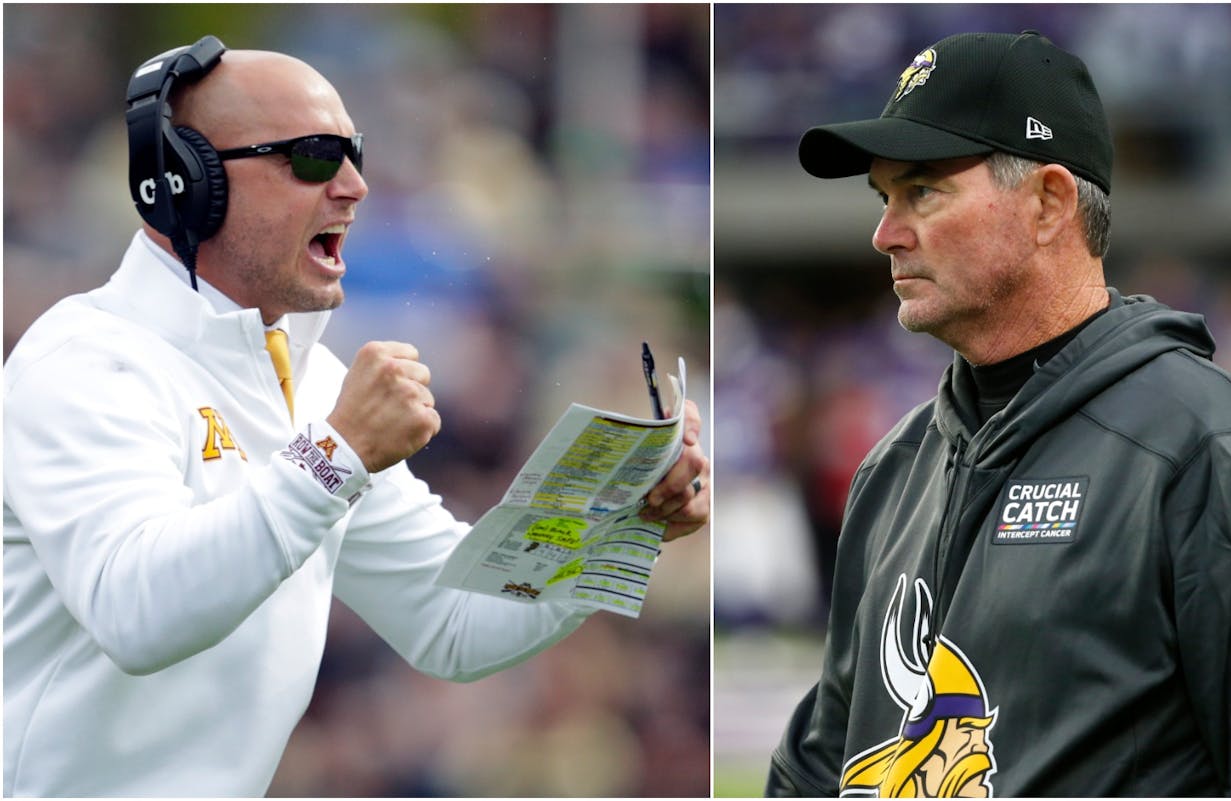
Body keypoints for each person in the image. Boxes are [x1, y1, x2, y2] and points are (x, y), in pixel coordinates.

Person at [3, 38, 709, 797]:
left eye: (354, 153)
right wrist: (335, 453)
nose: (353, 185)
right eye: (312, 155)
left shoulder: (309, 380)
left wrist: (618, 523)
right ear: (189, 179)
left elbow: (452, 620)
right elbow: (136, 610)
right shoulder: (83, 360)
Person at [766, 31, 1231, 797]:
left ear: (1048, 204)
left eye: (922, 190)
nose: (885, 233)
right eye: (884, 197)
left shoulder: (1206, 447)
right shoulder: (893, 471)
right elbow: (818, 769)